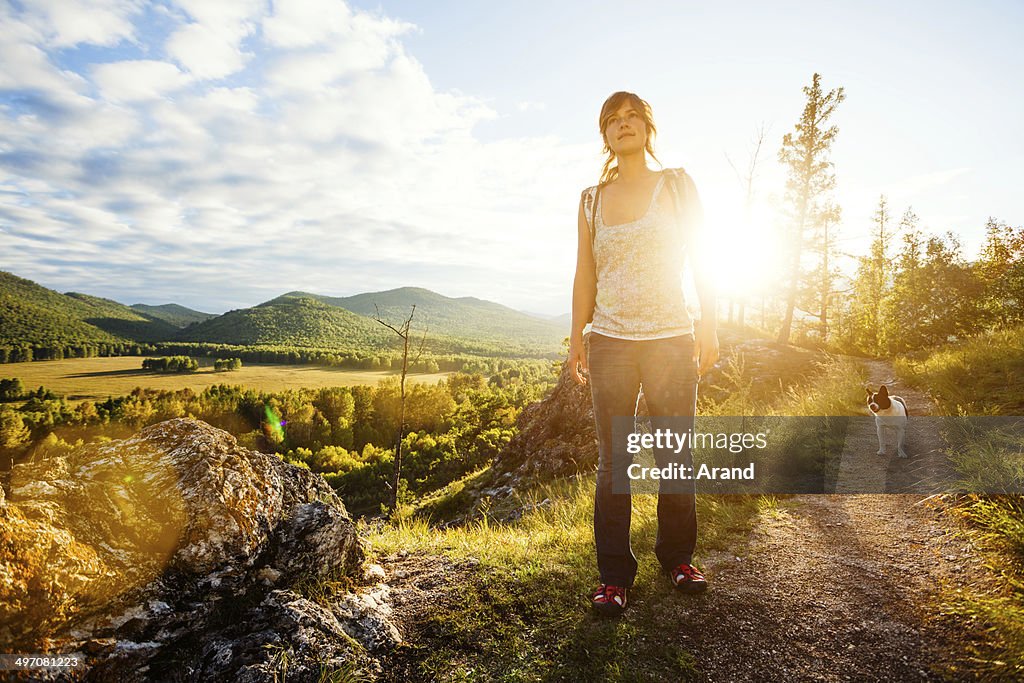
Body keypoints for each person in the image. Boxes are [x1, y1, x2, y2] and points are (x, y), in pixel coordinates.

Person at [568, 91, 719, 617]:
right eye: (612, 119)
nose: (622, 124)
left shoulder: (676, 185)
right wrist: (576, 338)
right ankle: (614, 575)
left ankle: (678, 558)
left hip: (671, 338)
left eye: (631, 116)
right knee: (615, 463)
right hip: (609, 341)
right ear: (605, 136)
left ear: (647, 127)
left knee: (675, 454)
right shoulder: (590, 199)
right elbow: (585, 272)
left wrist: (710, 324)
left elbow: (703, 257)